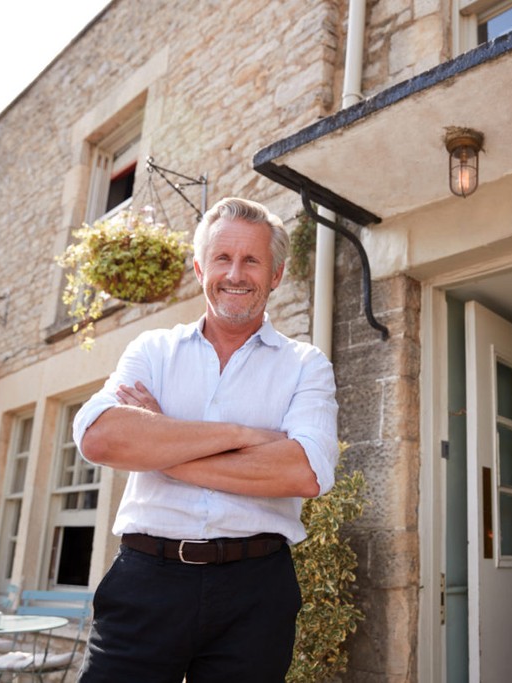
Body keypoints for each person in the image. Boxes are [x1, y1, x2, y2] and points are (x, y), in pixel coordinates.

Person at [72, 197, 339, 682]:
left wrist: (163, 447)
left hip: (255, 590)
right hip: (147, 581)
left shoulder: (305, 364)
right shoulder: (152, 350)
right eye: (222, 258)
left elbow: (305, 471)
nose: (235, 273)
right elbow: (100, 437)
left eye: (251, 260)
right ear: (200, 268)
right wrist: (242, 436)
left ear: (275, 275)